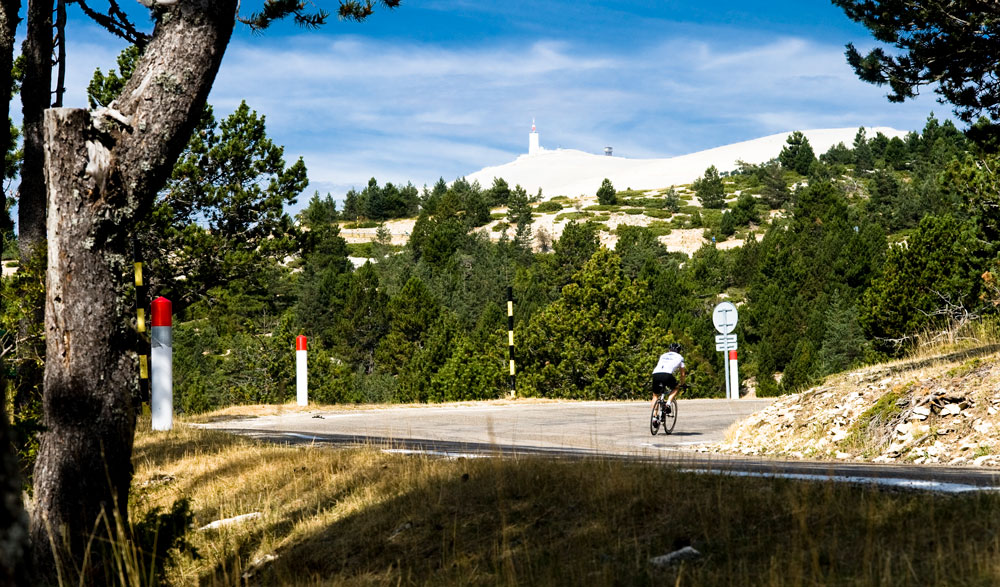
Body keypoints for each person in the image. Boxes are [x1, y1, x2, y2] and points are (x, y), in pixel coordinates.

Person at [651, 342, 686, 423]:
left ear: (669, 349)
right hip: (667, 374)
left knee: (655, 395)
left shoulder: (663, 355)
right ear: (679, 350)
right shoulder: (680, 357)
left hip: (655, 374)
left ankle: (654, 417)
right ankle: (668, 403)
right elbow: (682, 374)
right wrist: (683, 383)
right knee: (676, 387)